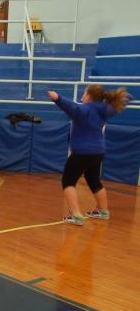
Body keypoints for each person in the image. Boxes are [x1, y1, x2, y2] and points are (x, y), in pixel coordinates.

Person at [48, 85, 129, 225]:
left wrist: (58, 98)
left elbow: (73, 107)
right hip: (98, 153)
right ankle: (104, 212)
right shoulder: (106, 109)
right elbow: (125, 99)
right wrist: (115, 96)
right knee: (94, 181)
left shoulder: (85, 109)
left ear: (90, 96)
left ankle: (76, 215)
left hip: (82, 153)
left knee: (68, 181)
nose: (82, 97)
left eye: (84, 94)